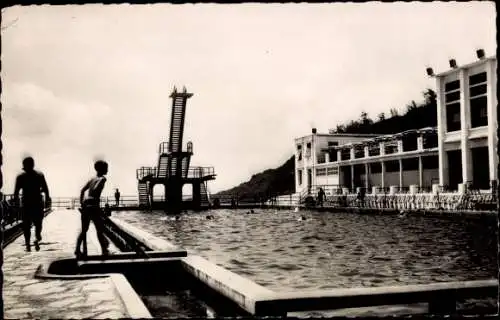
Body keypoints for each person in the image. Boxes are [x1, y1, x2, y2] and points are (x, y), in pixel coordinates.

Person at [13, 157, 51, 252]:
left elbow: (16, 193)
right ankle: (36, 238)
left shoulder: (21, 176)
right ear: (33, 164)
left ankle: (27, 245)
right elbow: (46, 189)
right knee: (38, 224)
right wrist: (47, 200)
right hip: (37, 203)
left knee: (26, 225)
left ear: (24, 165)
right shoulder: (39, 175)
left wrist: (17, 205)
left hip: (26, 204)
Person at [75, 160, 110, 257]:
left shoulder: (91, 179)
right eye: (106, 168)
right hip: (93, 205)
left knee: (84, 230)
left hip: (86, 204)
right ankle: (104, 251)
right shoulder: (103, 179)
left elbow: (82, 190)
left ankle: (77, 249)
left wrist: (82, 203)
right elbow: (95, 190)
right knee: (99, 229)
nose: (108, 170)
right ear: (101, 169)